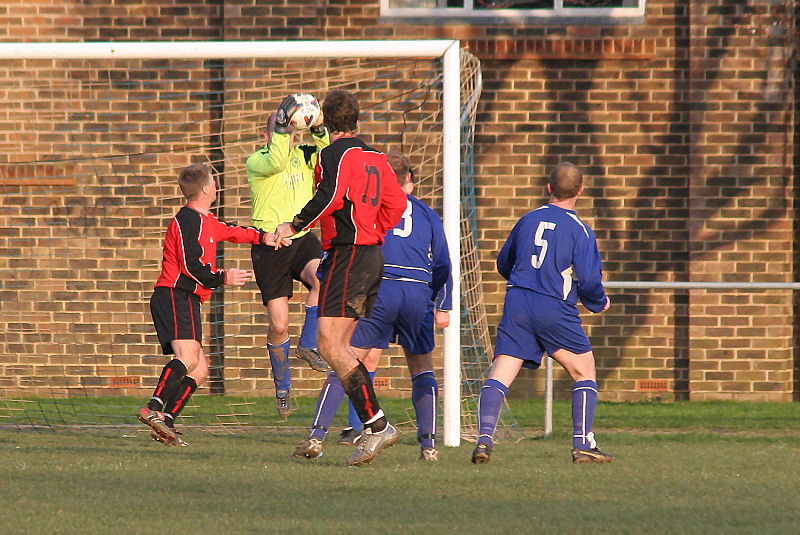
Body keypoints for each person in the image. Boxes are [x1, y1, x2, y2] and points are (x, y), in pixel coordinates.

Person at [274, 89, 407, 466]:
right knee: (340, 348)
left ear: (322, 121)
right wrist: (374, 231)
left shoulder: (334, 154)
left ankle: (378, 427)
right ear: (357, 119)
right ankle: (368, 427)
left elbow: (330, 197)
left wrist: (294, 225)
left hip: (349, 256)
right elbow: (396, 203)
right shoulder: (376, 158)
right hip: (369, 255)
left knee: (330, 347)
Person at [291, 151, 452, 462]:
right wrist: (441, 304)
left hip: (380, 286)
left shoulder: (369, 208)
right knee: (421, 366)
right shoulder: (429, 214)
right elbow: (443, 263)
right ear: (410, 182)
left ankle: (316, 436)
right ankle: (429, 446)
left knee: (344, 354)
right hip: (417, 292)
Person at [472, 162, 613, 464]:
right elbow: (589, 280)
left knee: (501, 372)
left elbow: (503, 263)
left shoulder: (527, 220)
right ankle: (582, 444)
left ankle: (484, 439)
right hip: (554, 306)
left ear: (549, 188)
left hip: (517, 302)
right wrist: (598, 302)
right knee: (583, 369)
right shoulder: (581, 232)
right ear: (580, 191)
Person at [139, 163, 281, 447]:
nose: (216, 186)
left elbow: (234, 232)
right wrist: (223, 277)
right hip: (175, 294)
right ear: (206, 189)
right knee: (188, 357)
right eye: (214, 182)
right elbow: (192, 266)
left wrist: (265, 237)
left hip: (186, 298)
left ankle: (166, 422)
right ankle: (153, 408)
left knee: (200, 368)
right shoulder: (187, 220)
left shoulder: (207, 221)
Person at [247, 94, 331, 419]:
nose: (291, 139)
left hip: (300, 239)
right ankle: (282, 384)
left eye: (293, 134)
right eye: (283, 133)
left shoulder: (304, 154)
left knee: (324, 276)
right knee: (279, 325)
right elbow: (277, 161)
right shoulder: (258, 161)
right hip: (270, 247)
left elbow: (326, 154)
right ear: (269, 136)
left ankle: (308, 344)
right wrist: (282, 126)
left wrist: (319, 125)